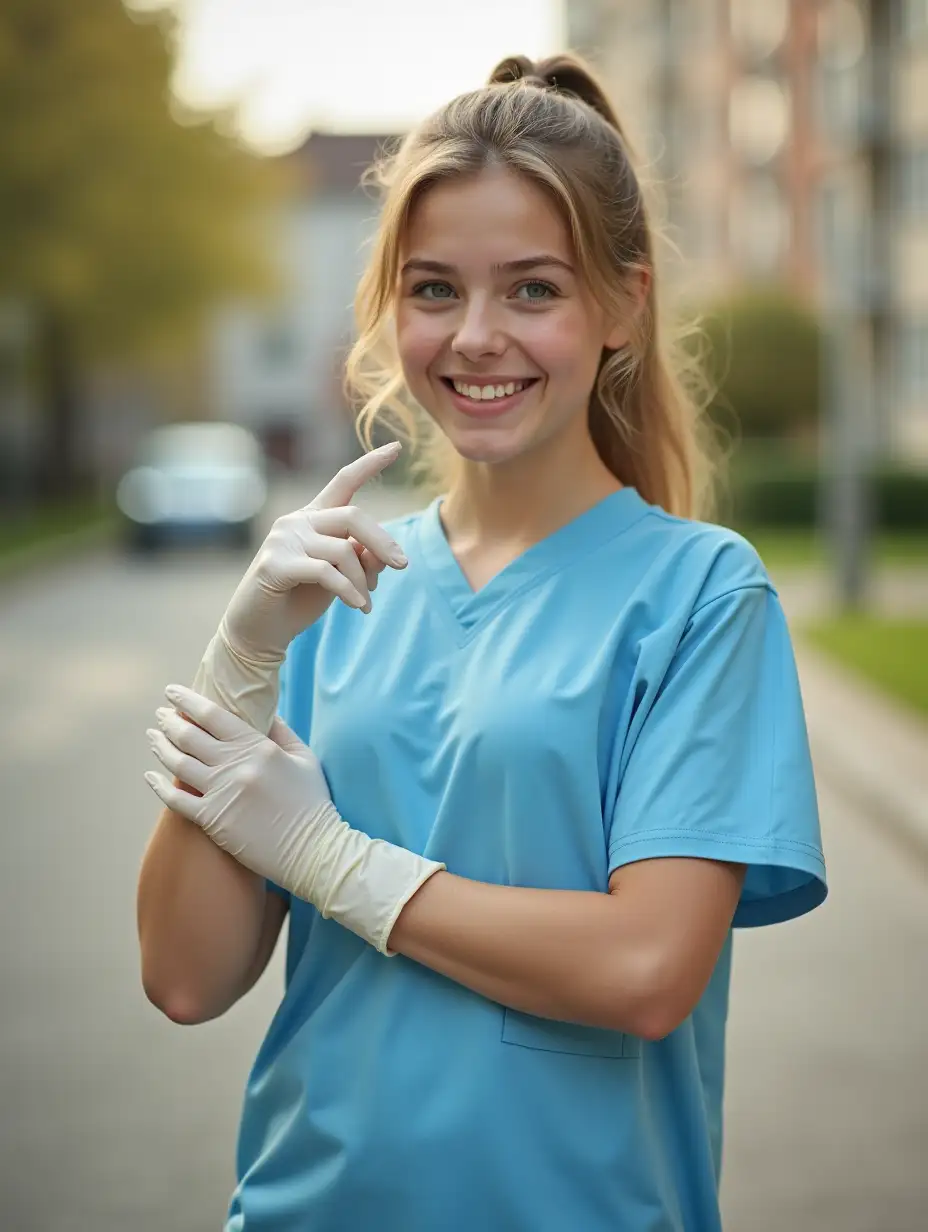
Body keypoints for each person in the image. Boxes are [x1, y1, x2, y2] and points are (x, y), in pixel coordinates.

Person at [137, 53, 827, 1232]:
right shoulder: (333, 595)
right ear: (389, 309)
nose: (476, 337)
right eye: (435, 289)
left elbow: (647, 969)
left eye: (533, 289)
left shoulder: (702, 594)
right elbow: (186, 977)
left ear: (621, 305)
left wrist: (328, 856)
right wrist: (240, 660)